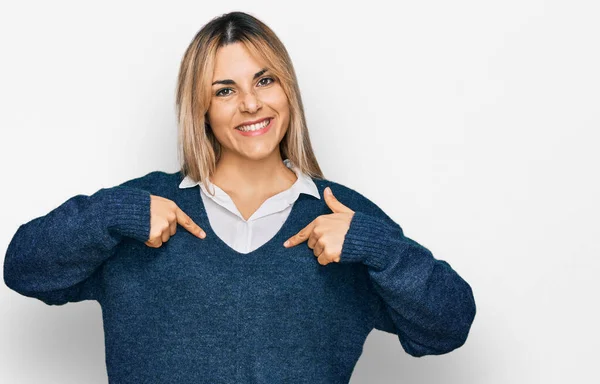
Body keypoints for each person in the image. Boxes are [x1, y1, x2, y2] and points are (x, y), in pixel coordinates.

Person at [3, 11, 476, 384]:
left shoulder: (344, 218)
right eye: (225, 90)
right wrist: (110, 213)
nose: (251, 103)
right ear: (202, 109)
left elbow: (448, 325)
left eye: (264, 81)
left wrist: (376, 247)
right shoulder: (139, 211)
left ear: (288, 89)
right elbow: (23, 269)